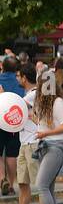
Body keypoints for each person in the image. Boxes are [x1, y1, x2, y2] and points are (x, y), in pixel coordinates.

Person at [28, 69, 63, 204]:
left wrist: (44, 133)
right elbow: (44, 123)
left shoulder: (58, 102)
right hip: (47, 146)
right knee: (48, 187)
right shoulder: (45, 102)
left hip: (55, 147)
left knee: (42, 185)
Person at [8, 64, 39, 204]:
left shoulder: (31, 97)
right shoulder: (28, 96)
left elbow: (13, 109)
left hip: (33, 143)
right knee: (22, 182)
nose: (17, 79)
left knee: (41, 184)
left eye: (19, 76)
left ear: (24, 78)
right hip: (24, 142)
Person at [1, 56, 22, 196]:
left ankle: (2, 179)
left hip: (0, 120)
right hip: (15, 122)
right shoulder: (20, 83)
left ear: (2, 66)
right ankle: (11, 185)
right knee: (12, 154)